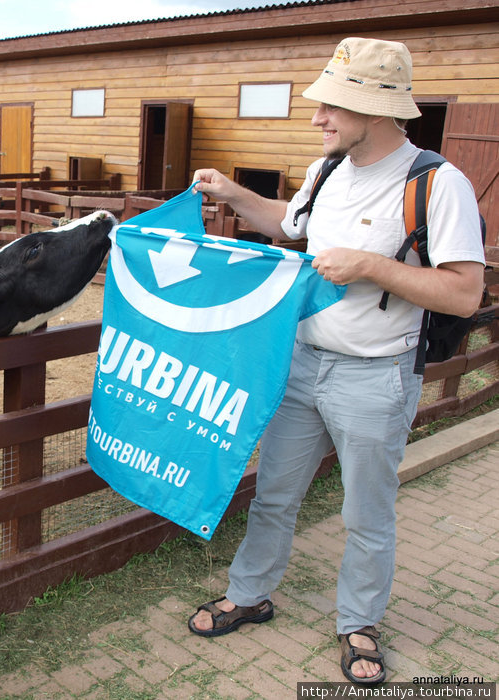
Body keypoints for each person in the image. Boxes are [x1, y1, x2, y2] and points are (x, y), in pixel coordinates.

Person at [187, 37, 486, 685]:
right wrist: (232, 192)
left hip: (376, 377)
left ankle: (358, 622)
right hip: (300, 369)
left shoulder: (436, 183)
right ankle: (251, 593)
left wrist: (372, 267)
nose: (318, 117)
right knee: (273, 497)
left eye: (333, 106)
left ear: (377, 111)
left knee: (366, 513)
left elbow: (465, 291)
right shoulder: (326, 170)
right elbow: (290, 226)